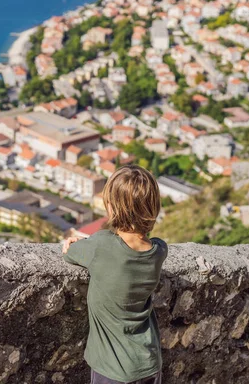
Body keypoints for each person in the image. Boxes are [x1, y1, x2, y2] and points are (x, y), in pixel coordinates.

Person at [63, 165, 168, 384]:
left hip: (112, 370)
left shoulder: (101, 246)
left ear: (111, 208)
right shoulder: (158, 251)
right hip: (148, 364)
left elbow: (70, 253)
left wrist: (77, 243)